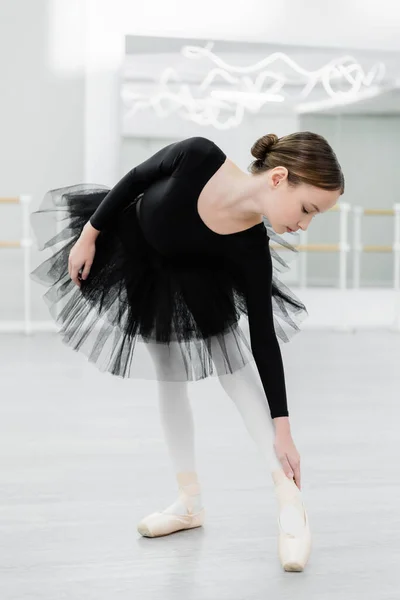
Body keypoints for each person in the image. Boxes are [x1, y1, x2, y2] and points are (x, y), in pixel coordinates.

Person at [30, 132, 344, 572]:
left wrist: (284, 427)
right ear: (278, 178)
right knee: (169, 375)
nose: (304, 225)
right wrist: (89, 234)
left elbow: (263, 340)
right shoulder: (198, 156)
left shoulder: (252, 249)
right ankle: (188, 500)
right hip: (141, 253)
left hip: (199, 275)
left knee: (233, 369)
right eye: (308, 209)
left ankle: (290, 504)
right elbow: (135, 178)